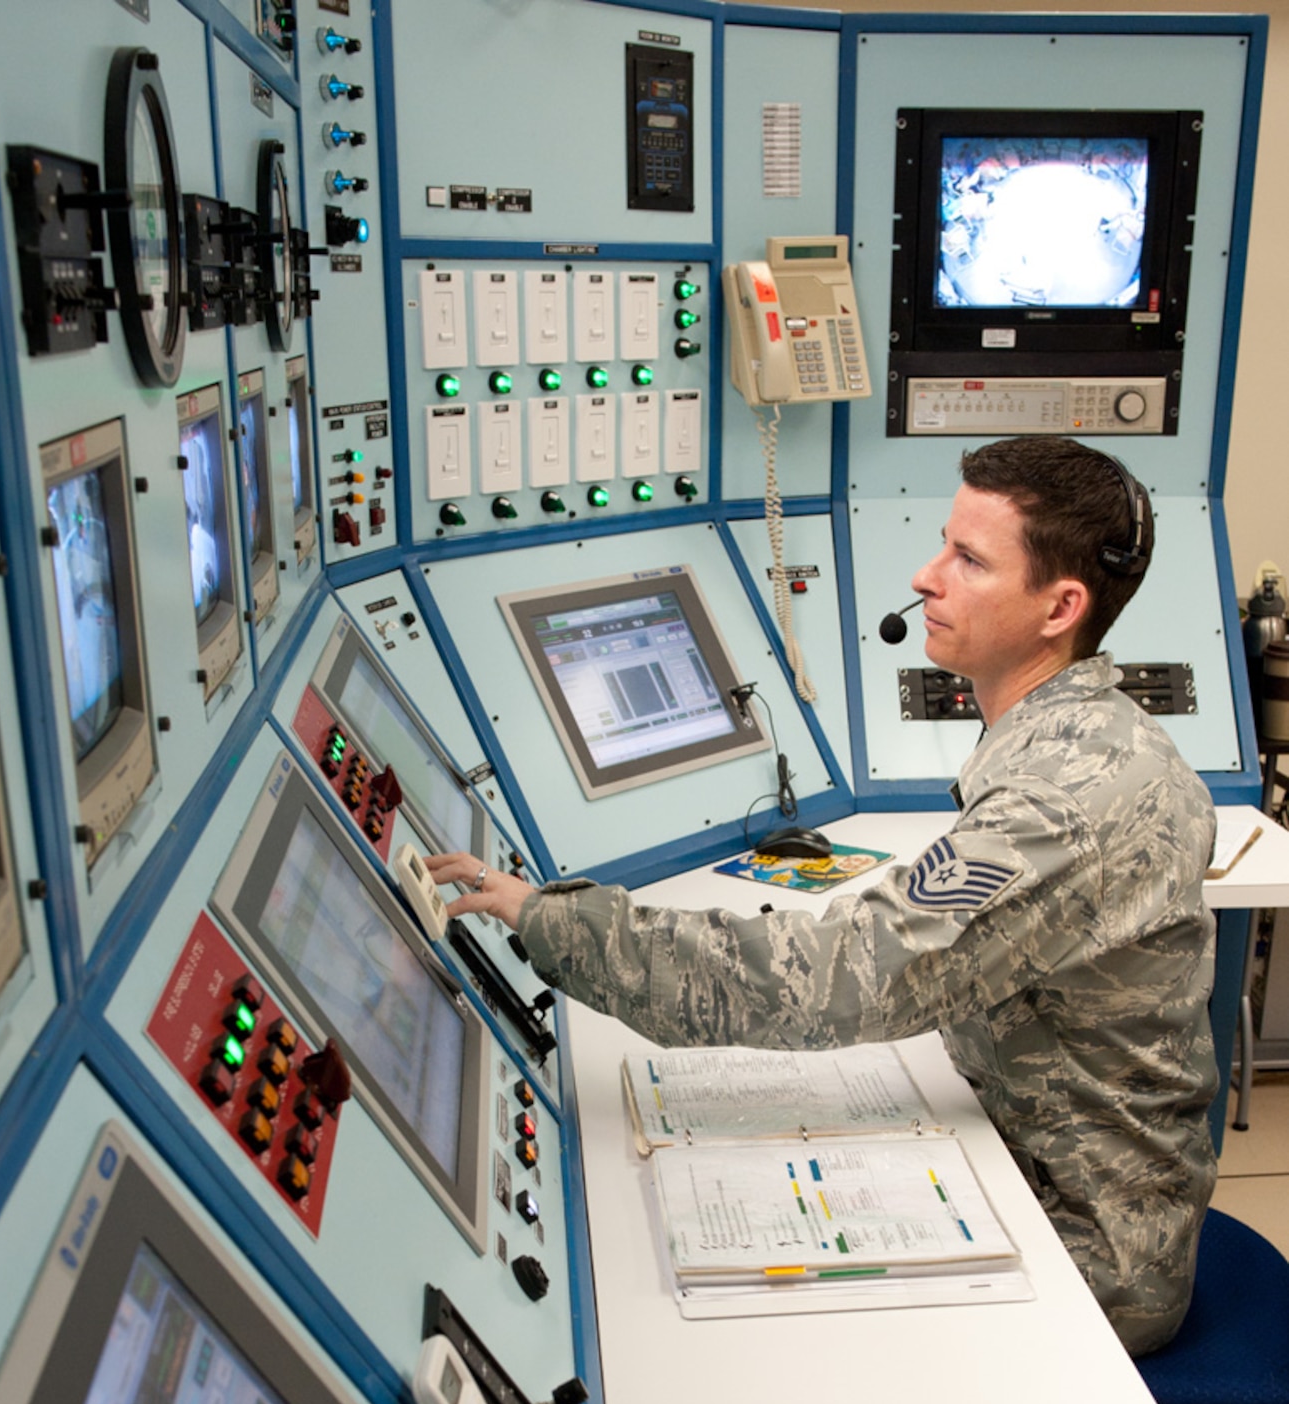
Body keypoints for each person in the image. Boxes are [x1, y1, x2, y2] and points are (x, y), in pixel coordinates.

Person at [429, 436, 1218, 1356]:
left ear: (1061, 608)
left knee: (724, 1329)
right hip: (1028, 1149)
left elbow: (838, 978)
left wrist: (554, 922)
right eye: (941, 545)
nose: (927, 577)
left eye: (968, 560)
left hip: (1091, 1245)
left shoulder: (1066, 797)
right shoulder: (1079, 737)